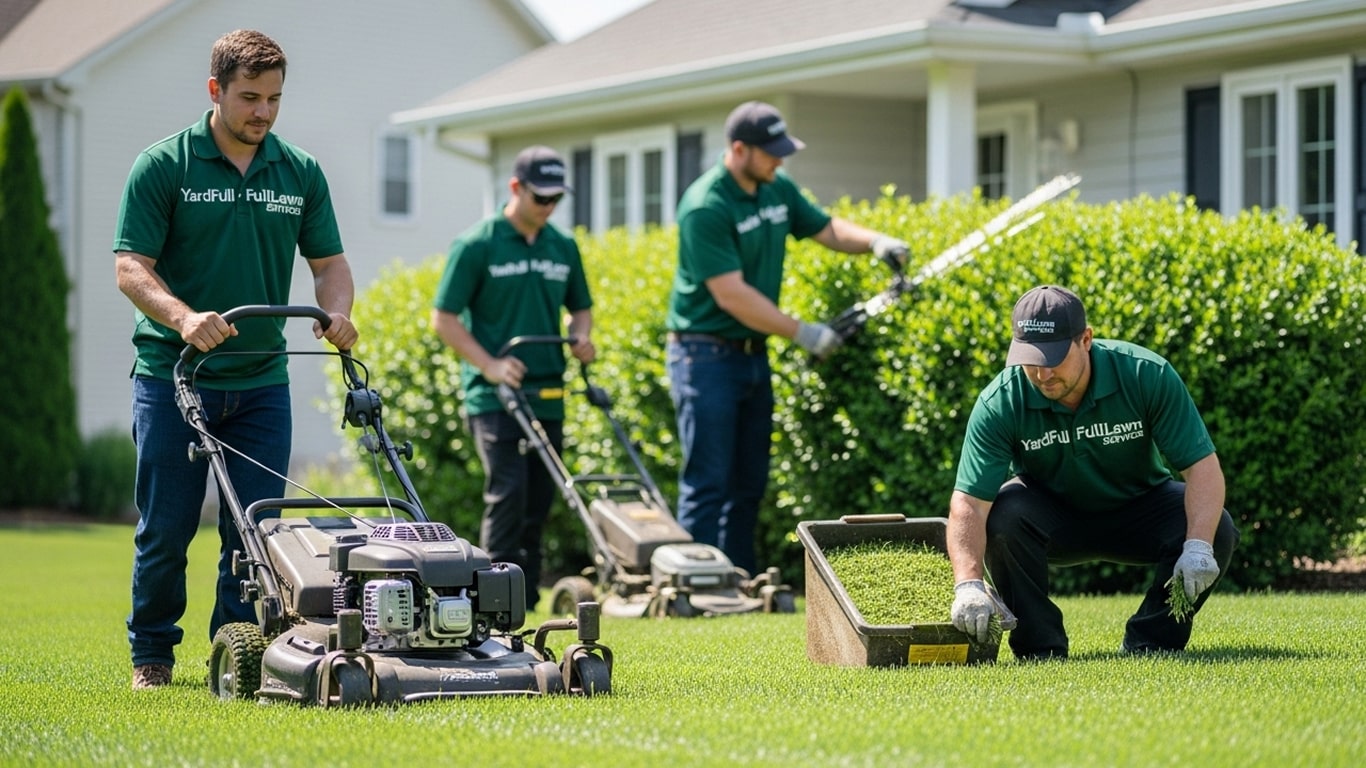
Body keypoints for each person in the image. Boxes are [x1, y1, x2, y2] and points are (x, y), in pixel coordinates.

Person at [113, 29, 358, 690]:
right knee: (166, 530)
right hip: (174, 379)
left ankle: (235, 654)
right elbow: (131, 267)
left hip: (261, 382)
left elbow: (329, 264)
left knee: (255, 533)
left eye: (274, 99)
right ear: (215, 90)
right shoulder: (165, 166)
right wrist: (183, 318)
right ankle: (152, 656)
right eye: (250, 97)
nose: (263, 112)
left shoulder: (299, 171)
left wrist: (337, 311)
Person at [665, 100, 910, 575]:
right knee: (709, 480)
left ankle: (739, 581)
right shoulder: (706, 206)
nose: (780, 160)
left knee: (749, 481)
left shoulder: (775, 188)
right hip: (703, 356)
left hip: (752, 355)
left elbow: (826, 228)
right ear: (739, 150)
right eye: (771, 151)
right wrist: (805, 334)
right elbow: (731, 295)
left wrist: (876, 241)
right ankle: (694, 587)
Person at [947, 284, 1240, 660]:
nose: (1042, 373)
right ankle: (1039, 650)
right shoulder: (1001, 401)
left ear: (1085, 340)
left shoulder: (1144, 374)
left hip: (1140, 507)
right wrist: (968, 585)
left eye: (1053, 358)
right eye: (1030, 359)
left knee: (1217, 528)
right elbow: (969, 503)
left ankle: (1152, 642)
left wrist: (1198, 546)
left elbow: (1202, 469)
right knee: (1004, 512)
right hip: (1052, 518)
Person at [432, 145, 595, 611]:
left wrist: (581, 337)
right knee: (508, 494)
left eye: (556, 199)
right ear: (516, 188)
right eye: (541, 197)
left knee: (539, 500)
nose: (549, 207)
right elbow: (444, 319)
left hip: (548, 392)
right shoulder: (477, 244)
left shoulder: (563, 246)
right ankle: (495, 602)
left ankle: (526, 596)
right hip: (494, 396)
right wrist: (490, 365)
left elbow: (580, 308)